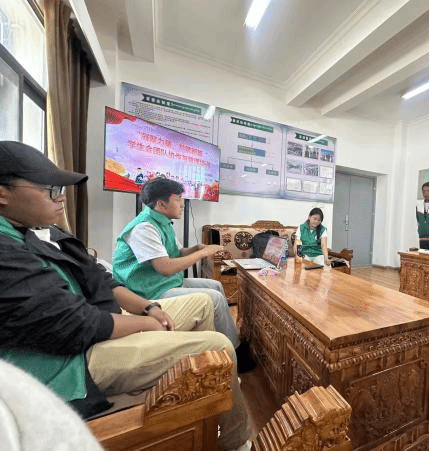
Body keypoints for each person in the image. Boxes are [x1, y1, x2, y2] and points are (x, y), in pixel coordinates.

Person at [0, 141, 251, 451]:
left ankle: (202, 402)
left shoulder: (46, 231)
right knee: (216, 346)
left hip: (108, 316)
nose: (62, 197)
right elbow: (75, 323)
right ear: (3, 193)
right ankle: (234, 439)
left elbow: (100, 278)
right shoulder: (7, 250)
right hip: (74, 357)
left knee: (205, 299)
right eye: (51, 190)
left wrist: (148, 309)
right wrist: (146, 324)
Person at [112, 177, 255, 372]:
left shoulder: (162, 222)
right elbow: (165, 267)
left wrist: (197, 247)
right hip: (146, 291)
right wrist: (202, 254)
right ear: (161, 204)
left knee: (215, 286)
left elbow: (177, 253)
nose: (183, 204)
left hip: (160, 283)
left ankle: (227, 339)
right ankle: (235, 354)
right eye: (178, 199)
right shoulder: (144, 228)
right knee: (213, 298)